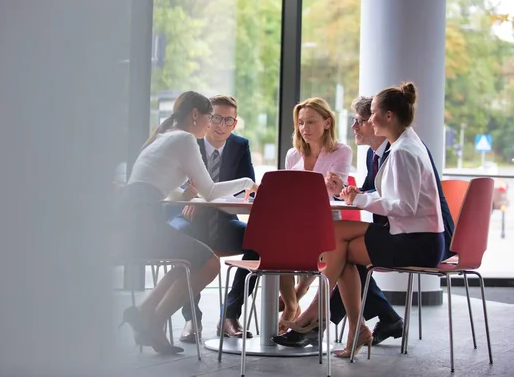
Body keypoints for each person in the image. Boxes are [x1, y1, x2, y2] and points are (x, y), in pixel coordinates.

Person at [274, 82, 447, 359]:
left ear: (388, 116)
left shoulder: (403, 151)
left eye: (371, 115)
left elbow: (405, 207)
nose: (364, 122)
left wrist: (360, 199)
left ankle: (316, 316)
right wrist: (355, 196)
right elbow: (394, 198)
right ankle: (353, 328)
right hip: (411, 236)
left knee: (336, 238)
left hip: (417, 242)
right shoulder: (400, 145)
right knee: (339, 247)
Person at [116, 91, 257, 354]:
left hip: (131, 214)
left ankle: (142, 311)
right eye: (209, 118)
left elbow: (166, 192)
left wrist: (187, 195)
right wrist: (248, 182)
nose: (211, 125)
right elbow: (211, 192)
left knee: (191, 260)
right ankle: (154, 322)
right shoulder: (184, 138)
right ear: (195, 115)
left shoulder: (161, 138)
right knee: (210, 262)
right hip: (142, 218)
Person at [167, 95, 258, 343]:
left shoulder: (240, 146)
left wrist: (205, 200)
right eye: (216, 117)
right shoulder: (189, 143)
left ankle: (229, 314)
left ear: (234, 124)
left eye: (227, 120)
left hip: (222, 220)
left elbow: (247, 189)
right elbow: (179, 186)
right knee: (184, 237)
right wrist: (194, 199)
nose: (220, 124)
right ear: (207, 119)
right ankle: (191, 317)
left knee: (261, 241)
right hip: (187, 220)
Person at [278, 97, 352, 334]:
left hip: (326, 222)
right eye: (300, 123)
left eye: (310, 122)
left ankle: (299, 293)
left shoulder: (341, 151)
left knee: (305, 246)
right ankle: (291, 305)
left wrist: (338, 186)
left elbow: (335, 193)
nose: (304, 128)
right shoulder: (293, 155)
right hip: (297, 222)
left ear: (327, 123)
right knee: (278, 244)